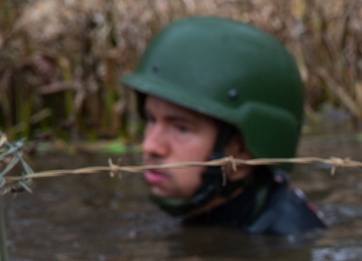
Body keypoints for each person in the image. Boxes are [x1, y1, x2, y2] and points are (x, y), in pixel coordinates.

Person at [122, 16, 326, 235]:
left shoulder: (285, 241)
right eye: (151, 119)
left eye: (181, 128)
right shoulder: (212, 209)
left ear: (240, 152)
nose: (150, 146)